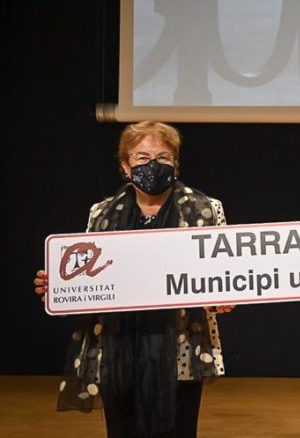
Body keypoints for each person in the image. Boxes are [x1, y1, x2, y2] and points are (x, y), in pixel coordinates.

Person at [34, 120, 233, 438]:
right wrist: (60, 285)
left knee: (178, 430)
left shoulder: (205, 210)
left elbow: (224, 273)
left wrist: (225, 294)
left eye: (163, 157)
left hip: (180, 343)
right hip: (118, 344)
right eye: (142, 158)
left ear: (176, 164)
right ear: (125, 167)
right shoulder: (101, 213)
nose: (153, 165)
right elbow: (87, 271)